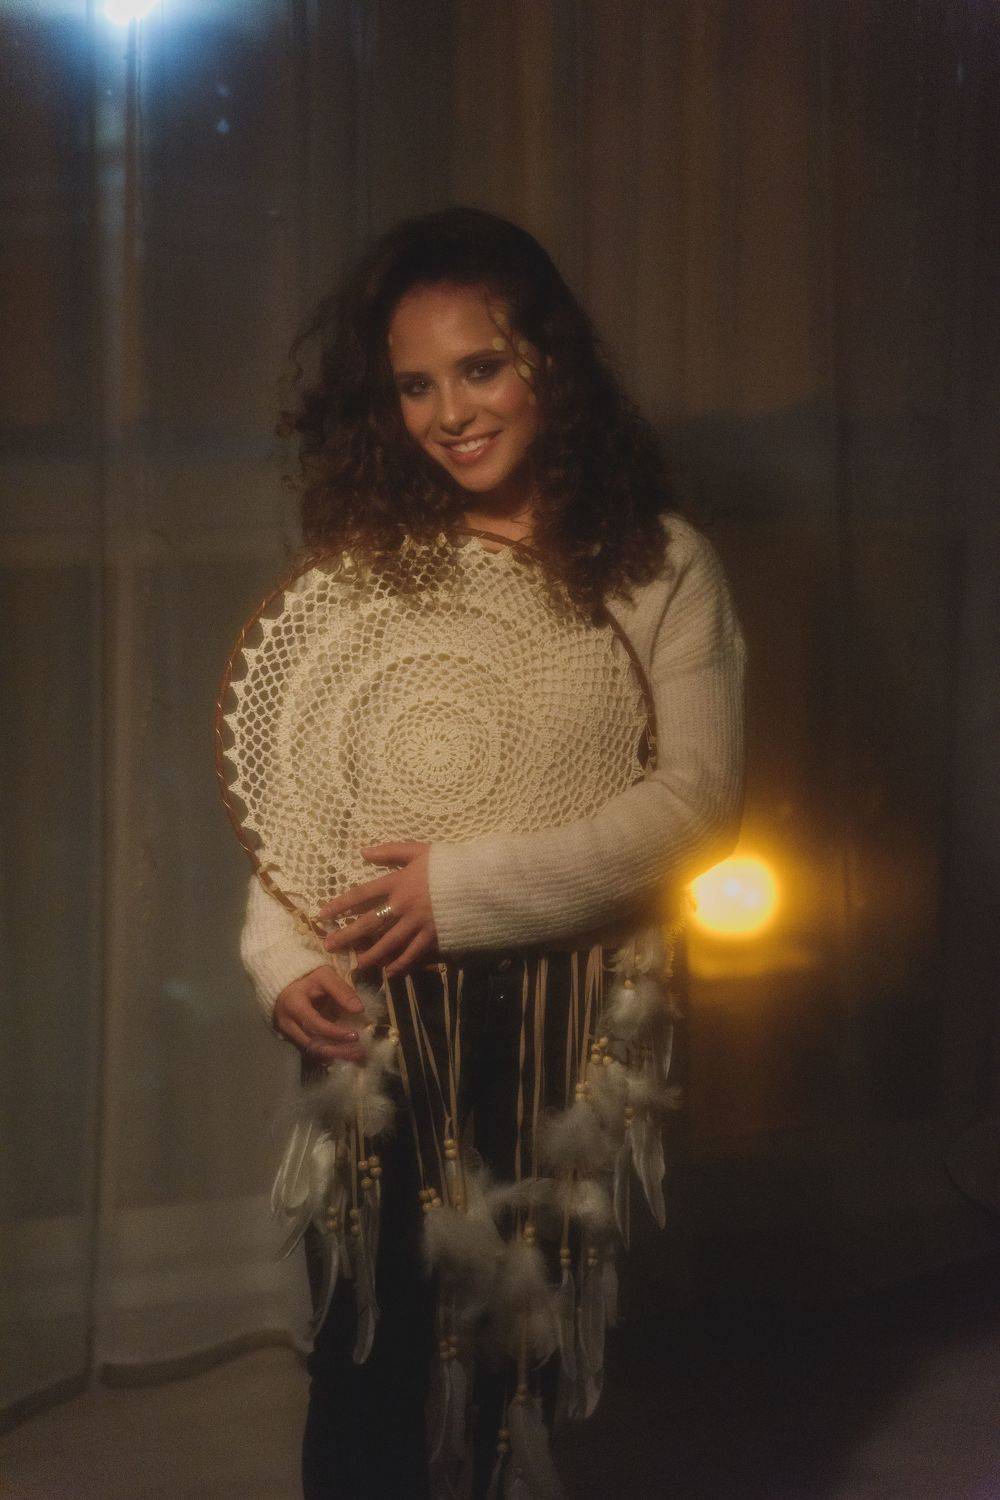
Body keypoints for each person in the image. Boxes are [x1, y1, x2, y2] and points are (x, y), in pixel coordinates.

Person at [238, 205, 746, 1498]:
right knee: (366, 1349)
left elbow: (695, 805)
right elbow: (306, 784)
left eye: (481, 367)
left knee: (518, 1355)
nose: (450, 413)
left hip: (562, 1014)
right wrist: (279, 953)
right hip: (378, 1005)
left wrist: (459, 892)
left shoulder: (662, 567)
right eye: (414, 385)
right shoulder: (374, 570)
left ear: (549, 364)